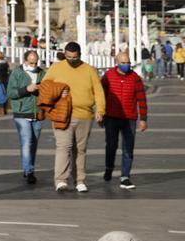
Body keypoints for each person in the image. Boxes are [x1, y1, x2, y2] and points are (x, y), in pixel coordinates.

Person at [42, 42, 105, 193]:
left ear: (80, 54)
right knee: (63, 147)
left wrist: (100, 110)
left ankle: (80, 180)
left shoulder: (89, 70)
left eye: (75, 57)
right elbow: (45, 87)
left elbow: (99, 91)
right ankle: (61, 180)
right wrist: (58, 93)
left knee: (80, 149)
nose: (72, 60)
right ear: (65, 54)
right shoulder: (56, 68)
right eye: (69, 57)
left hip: (85, 115)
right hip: (62, 114)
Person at [101, 52, 148, 189]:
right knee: (111, 145)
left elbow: (142, 99)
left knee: (128, 148)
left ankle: (125, 177)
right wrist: (100, 113)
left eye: (128, 62)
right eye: (123, 62)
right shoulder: (108, 76)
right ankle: (109, 167)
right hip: (111, 117)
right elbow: (100, 95)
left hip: (129, 118)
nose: (126, 65)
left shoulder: (135, 78)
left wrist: (143, 119)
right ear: (117, 62)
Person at [7, 50, 45, 184]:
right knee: (27, 141)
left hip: (38, 113)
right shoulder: (17, 73)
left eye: (36, 63)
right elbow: (10, 92)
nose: (33, 65)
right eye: (31, 63)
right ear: (25, 61)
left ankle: (29, 167)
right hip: (21, 113)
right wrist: (26, 89)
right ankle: (29, 171)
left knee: (33, 143)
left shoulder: (42, 73)